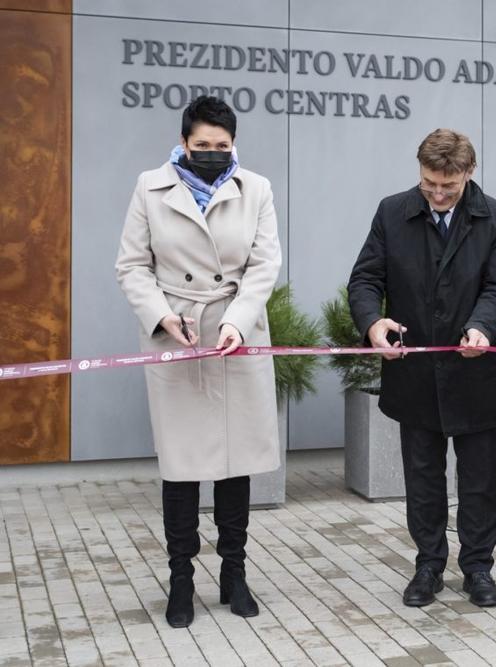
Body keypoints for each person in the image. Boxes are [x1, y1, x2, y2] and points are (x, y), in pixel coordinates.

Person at [116, 95, 282, 628]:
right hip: (177, 336)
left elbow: (264, 263)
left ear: (234, 144)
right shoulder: (150, 186)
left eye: (222, 146)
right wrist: (163, 318)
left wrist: (237, 319)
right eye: (202, 145)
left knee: (236, 463)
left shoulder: (255, 188)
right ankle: (181, 578)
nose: (212, 153)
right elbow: (132, 266)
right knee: (183, 466)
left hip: (237, 330)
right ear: (184, 142)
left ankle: (234, 572)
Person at [348, 128, 496, 608]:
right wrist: (372, 323)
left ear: (469, 172)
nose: (438, 195)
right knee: (422, 477)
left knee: (480, 480)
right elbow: (364, 279)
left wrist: (483, 325)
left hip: (477, 371)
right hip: (414, 372)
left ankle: (479, 568)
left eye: (449, 186)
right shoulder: (391, 211)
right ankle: (428, 565)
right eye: (429, 184)